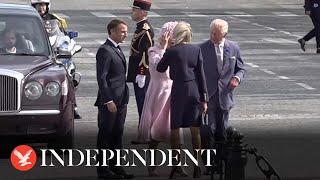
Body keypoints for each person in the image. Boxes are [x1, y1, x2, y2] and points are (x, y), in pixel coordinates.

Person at [157, 21, 208, 179]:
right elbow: (201, 75)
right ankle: (197, 165)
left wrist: (165, 47)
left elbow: (160, 68)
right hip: (194, 91)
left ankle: (176, 164)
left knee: (175, 129)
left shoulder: (173, 51)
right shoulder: (196, 49)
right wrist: (204, 98)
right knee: (195, 130)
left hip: (178, 91)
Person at [199, 19, 245, 175]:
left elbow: (240, 69)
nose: (213, 35)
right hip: (208, 96)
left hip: (225, 96)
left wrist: (236, 78)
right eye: (211, 32)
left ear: (225, 34)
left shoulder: (233, 48)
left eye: (216, 33)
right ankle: (209, 165)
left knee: (222, 131)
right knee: (208, 131)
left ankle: (220, 162)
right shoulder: (202, 48)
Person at [137, 21, 178, 177]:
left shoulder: (175, 51)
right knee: (155, 133)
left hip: (171, 92)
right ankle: (152, 166)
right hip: (158, 92)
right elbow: (158, 66)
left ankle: (177, 166)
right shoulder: (154, 50)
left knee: (175, 133)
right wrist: (164, 48)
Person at [94, 19, 133, 179]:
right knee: (105, 135)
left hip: (121, 100)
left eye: (126, 31)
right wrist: (108, 100)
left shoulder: (116, 49)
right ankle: (103, 171)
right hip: (110, 102)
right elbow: (101, 78)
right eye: (122, 31)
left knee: (117, 134)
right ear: (111, 31)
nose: (126, 34)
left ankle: (116, 167)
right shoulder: (105, 50)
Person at [127, 0, 154, 144]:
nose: (132, 12)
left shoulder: (145, 29)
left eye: (135, 9)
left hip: (141, 72)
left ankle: (145, 135)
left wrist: (142, 72)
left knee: (143, 104)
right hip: (137, 71)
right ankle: (143, 133)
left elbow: (146, 53)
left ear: (143, 12)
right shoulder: (140, 28)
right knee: (140, 103)